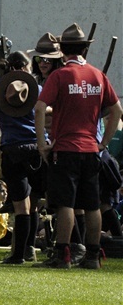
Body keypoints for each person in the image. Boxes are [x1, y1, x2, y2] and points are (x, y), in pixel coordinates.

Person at [35, 23, 122, 269]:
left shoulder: (59, 75)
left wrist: (43, 143)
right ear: (84, 48)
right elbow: (117, 110)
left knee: (66, 204)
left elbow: (40, 108)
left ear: (62, 50)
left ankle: (62, 255)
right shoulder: (98, 75)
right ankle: (93, 256)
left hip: (66, 148)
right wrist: (103, 143)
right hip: (91, 149)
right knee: (93, 205)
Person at [0, 50, 45, 264]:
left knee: (21, 206)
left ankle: (18, 255)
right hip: (37, 148)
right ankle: (29, 249)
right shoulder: (38, 89)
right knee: (34, 203)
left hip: (13, 149)